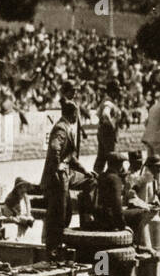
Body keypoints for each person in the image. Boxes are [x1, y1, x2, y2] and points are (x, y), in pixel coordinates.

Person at [41, 100, 92, 255]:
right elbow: (55, 148)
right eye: (77, 114)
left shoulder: (67, 127)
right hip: (57, 176)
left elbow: (71, 157)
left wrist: (85, 171)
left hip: (65, 174)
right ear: (73, 113)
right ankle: (53, 247)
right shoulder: (61, 128)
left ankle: (85, 222)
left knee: (89, 182)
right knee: (59, 212)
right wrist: (58, 167)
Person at [95, 80, 121, 173]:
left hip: (102, 132)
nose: (118, 93)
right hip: (108, 133)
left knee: (101, 159)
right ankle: (111, 180)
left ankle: (95, 179)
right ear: (111, 91)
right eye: (117, 91)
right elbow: (105, 114)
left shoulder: (106, 100)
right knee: (112, 159)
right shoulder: (108, 102)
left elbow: (98, 114)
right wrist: (112, 125)